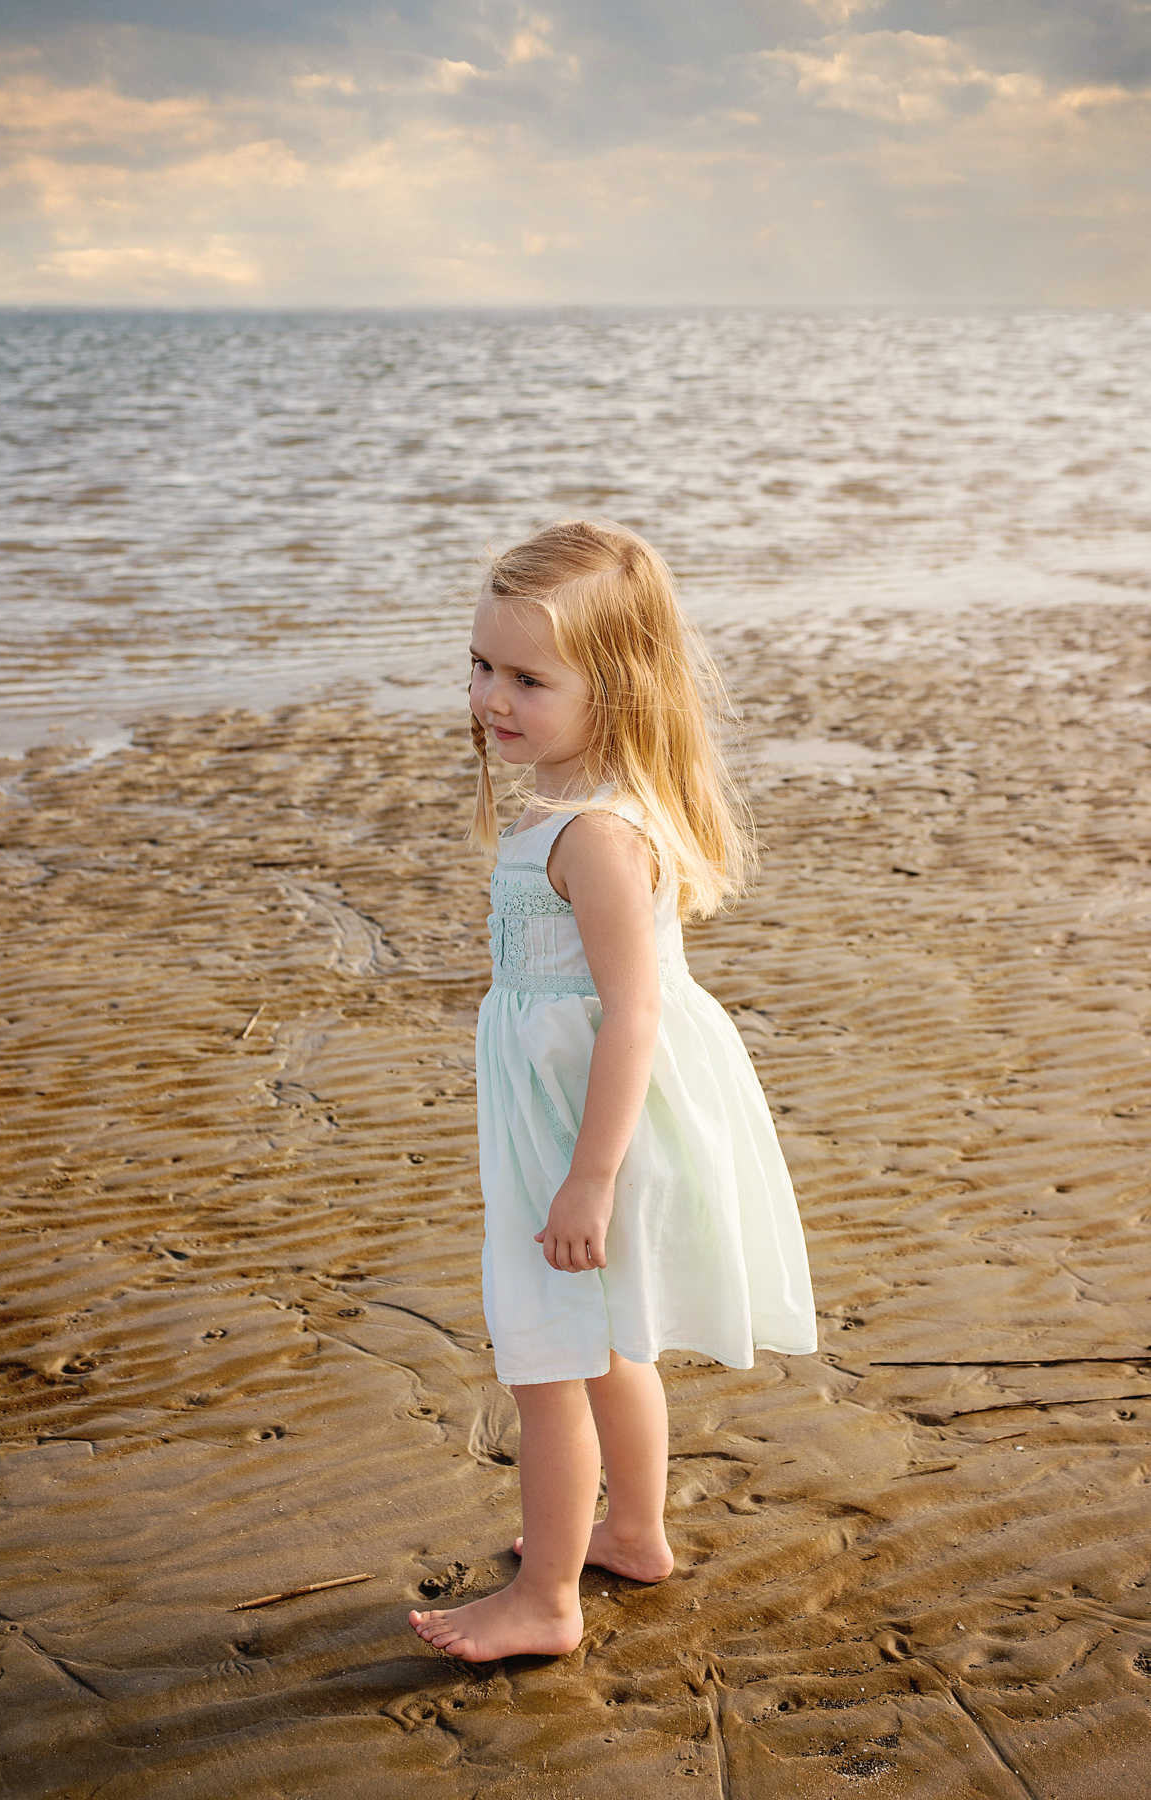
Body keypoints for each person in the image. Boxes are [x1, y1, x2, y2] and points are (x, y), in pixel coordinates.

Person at [408, 519, 816, 1662]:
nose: (493, 696)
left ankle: (544, 1599)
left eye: (529, 678)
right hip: (573, 1105)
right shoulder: (571, 804)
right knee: (606, 1344)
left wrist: (587, 1180)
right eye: (482, 666)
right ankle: (631, 1531)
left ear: (618, 686)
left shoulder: (591, 834)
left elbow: (633, 1009)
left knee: (549, 1362)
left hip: (588, 1126)